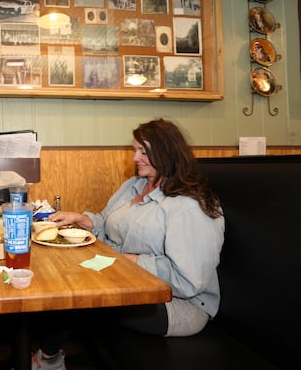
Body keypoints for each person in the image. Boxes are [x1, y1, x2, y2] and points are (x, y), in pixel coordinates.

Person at [30, 118, 225, 370]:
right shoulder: (134, 186)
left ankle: (47, 360)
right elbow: (109, 224)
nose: (135, 158)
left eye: (143, 151)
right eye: (135, 150)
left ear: (167, 153)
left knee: (77, 299)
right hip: (125, 282)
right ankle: (48, 357)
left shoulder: (188, 205)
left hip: (177, 305)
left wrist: (129, 262)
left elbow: (189, 280)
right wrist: (82, 219)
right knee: (65, 283)